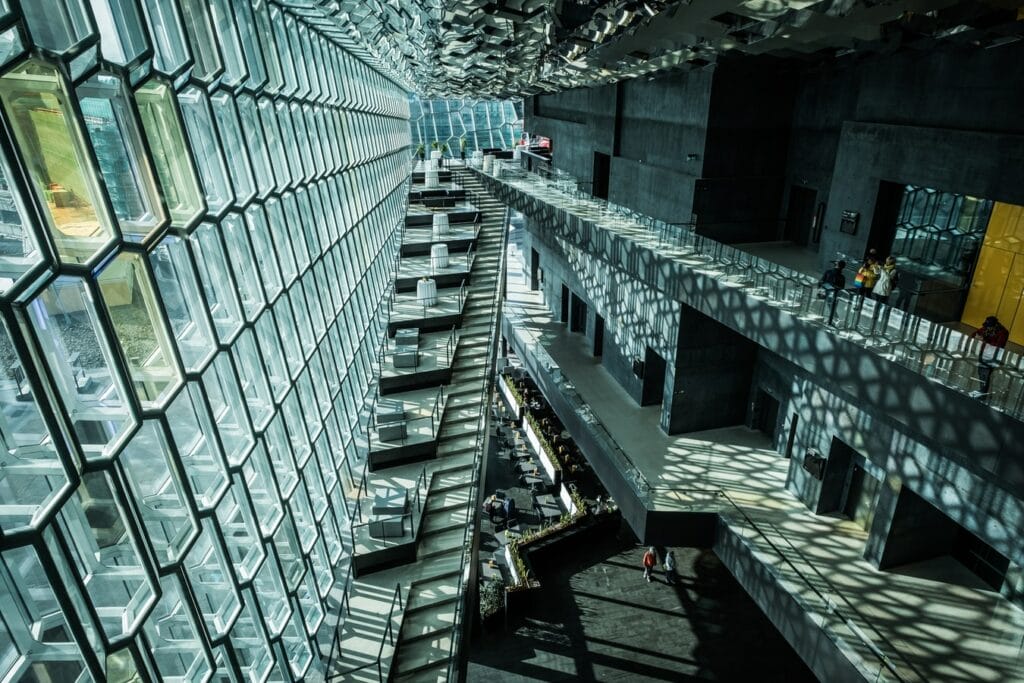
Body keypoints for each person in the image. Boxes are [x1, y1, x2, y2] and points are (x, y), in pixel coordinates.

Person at [971, 316, 1009, 396]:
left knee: (986, 373)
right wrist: (976, 336)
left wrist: (984, 340)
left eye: (988, 326)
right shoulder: (987, 328)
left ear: (994, 325)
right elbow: (974, 334)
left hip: (992, 356)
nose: (986, 328)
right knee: (981, 372)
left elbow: (999, 345)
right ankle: (982, 390)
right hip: (983, 353)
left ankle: (983, 393)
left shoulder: (1003, 332)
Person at [818, 260, 846, 326]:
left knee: (831, 308)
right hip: (832, 294)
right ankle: (834, 320)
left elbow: (821, 282)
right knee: (831, 308)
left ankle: (833, 320)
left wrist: (820, 290)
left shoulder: (829, 272)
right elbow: (841, 289)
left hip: (829, 293)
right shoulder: (841, 277)